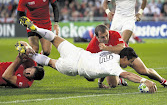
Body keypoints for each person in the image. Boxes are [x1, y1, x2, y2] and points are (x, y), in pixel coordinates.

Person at [19, 16, 157, 93]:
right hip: (73, 67)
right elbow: (127, 75)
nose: (129, 65)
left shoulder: (111, 54)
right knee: (49, 62)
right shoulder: (114, 67)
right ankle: (30, 55)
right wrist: (145, 80)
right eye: (130, 62)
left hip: (77, 52)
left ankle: (35, 28)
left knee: (55, 38)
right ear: (124, 58)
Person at [86, 24, 167, 88]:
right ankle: (119, 78)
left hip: (125, 55)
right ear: (96, 37)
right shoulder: (92, 47)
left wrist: (106, 48)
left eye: (107, 35)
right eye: (102, 37)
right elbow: (95, 62)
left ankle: (163, 81)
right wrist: (99, 81)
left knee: (143, 70)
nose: (106, 38)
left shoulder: (114, 34)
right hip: (111, 61)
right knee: (113, 85)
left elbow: (122, 47)